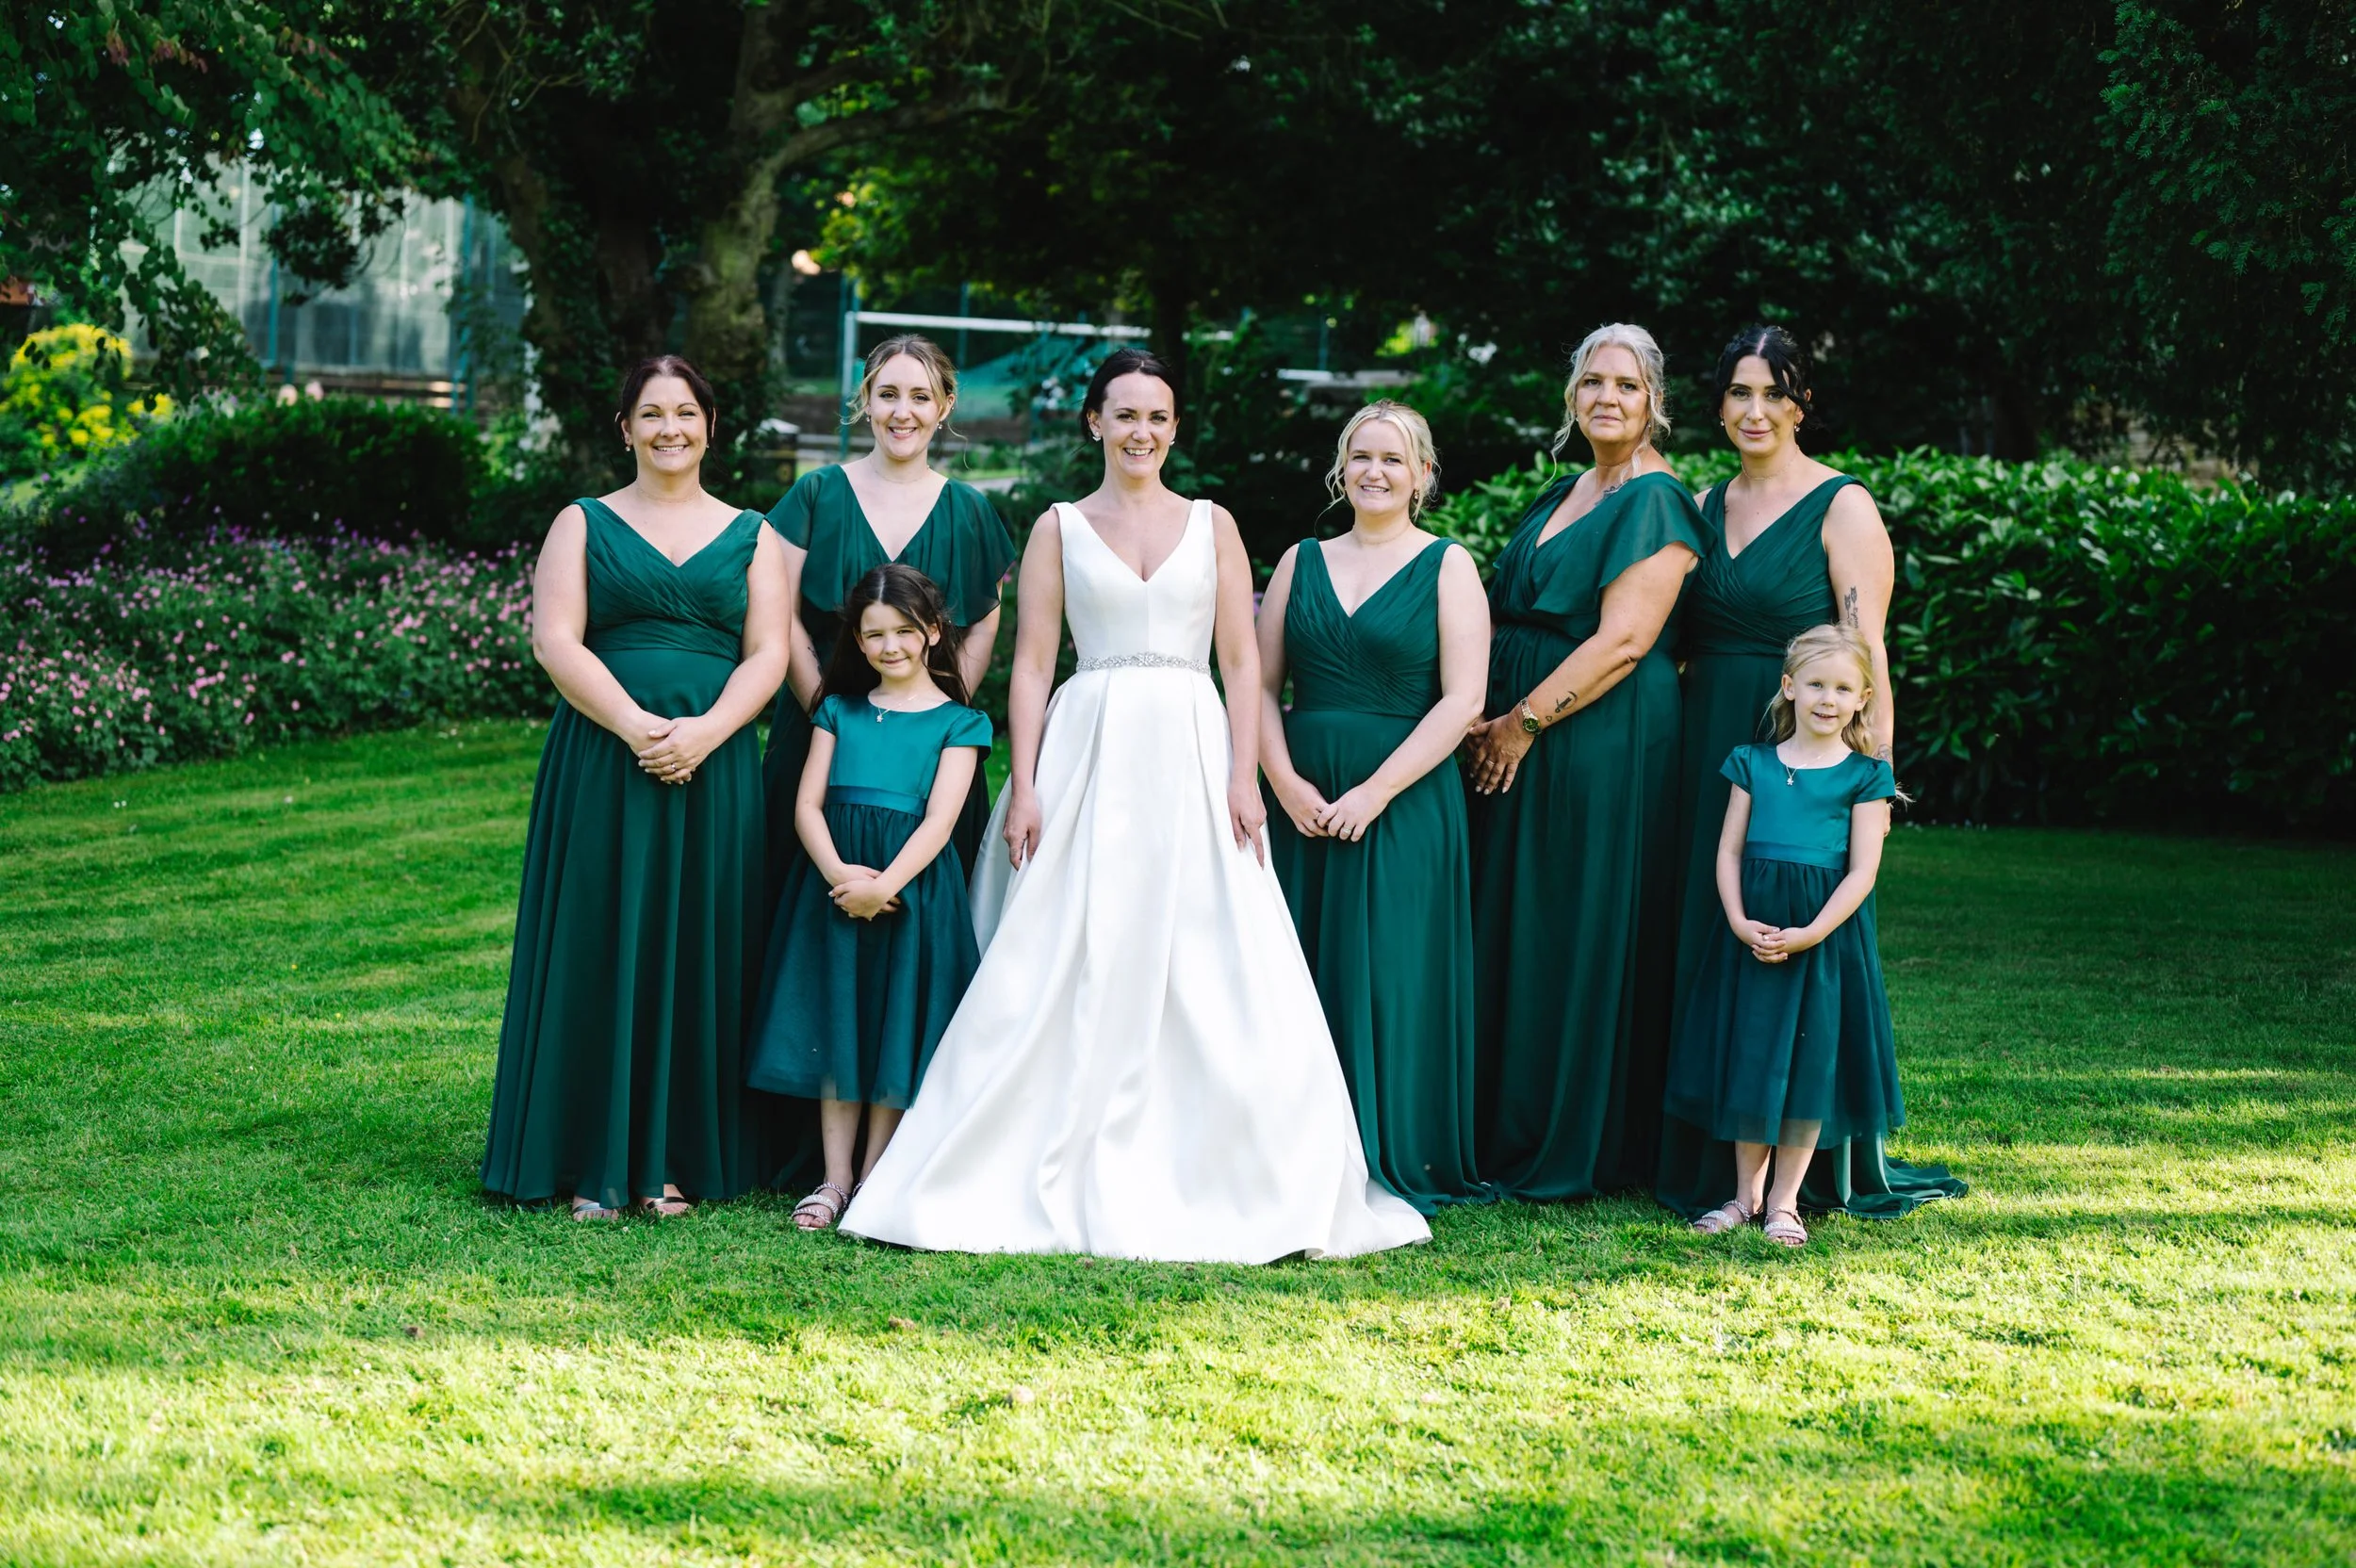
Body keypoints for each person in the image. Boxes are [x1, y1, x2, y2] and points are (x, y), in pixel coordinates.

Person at [840, 349, 1430, 1263]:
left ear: (1174, 426)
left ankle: (1224, 1156)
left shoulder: (1213, 523)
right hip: (1089, 745)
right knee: (1066, 943)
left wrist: (1244, 774)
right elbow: (1032, 663)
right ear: (1095, 423)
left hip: (1192, 745)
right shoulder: (1060, 526)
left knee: (1211, 942)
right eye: (1124, 414)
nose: (1141, 431)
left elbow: (1241, 660)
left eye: (1157, 416)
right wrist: (1026, 782)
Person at [1658, 324, 1964, 1221]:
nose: (1755, 411)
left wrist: (1875, 780)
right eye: (1739, 393)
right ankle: (1704, 1155)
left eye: (1774, 393)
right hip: (1709, 749)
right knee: (1706, 935)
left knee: (1800, 954)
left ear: (1801, 405)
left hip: (1809, 757)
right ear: (1718, 406)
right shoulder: (1701, 503)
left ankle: (1798, 1175)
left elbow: (1867, 653)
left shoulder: (1843, 505)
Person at [482, 354, 791, 1219]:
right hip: (604, 761)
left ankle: (670, 1160)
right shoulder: (581, 523)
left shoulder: (754, 534)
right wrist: (636, 728)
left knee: (699, 947)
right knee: (597, 939)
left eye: (685, 413)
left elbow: (769, 652)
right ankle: (590, 1158)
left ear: (710, 426)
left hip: (715, 767)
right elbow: (556, 641)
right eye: (651, 414)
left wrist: (705, 733)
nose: (669, 430)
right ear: (625, 429)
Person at [1461, 323, 1705, 1201]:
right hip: (1516, 726)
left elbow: (1627, 641)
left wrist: (1522, 722)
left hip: (1598, 735)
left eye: (1627, 385)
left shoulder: (1657, 501)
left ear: (1655, 403)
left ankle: (1572, 1134)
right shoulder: (1564, 489)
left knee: (1572, 921)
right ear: (1573, 395)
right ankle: (1500, 1121)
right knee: (1521, 917)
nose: (1608, 397)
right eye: (1594, 381)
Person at [1258, 400, 1491, 1214]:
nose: (1375, 472)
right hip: (1300, 793)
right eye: (1361, 456)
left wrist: (1377, 791)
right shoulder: (1300, 562)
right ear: (1341, 467)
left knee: (1392, 971)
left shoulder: (1448, 565)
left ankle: (1391, 1142)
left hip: (1404, 798)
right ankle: (1289, 1149)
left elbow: (1464, 701)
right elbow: (1257, 685)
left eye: (1393, 459)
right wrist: (1283, 782)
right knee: (1293, 964)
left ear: (1423, 474)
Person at [1664, 626, 1936, 1246]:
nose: (1827, 699)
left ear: (1863, 699)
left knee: (1808, 1066)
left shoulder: (1865, 776)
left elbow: (1863, 872)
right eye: (1815, 684)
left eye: (1842, 688)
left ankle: (1785, 1203)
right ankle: (1744, 1197)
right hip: (1754, 936)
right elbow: (1728, 852)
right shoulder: (1752, 763)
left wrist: (1812, 932)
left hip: (1822, 941)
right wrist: (1738, 921)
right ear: (1789, 687)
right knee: (1751, 1058)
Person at [746, 564, 992, 1231]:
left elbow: (941, 822)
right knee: (840, 1021)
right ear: (856, 641)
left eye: (904, 632)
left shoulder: (961, 724)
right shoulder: (837, 712)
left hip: (911, 889)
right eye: (874, 634)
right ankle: (833, 1179)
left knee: (893, 1022)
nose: (890, 646)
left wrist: (884, 885)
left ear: (933, 632)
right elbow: (807, 805)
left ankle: (875, 1177)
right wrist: (841, 879)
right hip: (834, 885)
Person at [760, 335, 1015, 889]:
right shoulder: (816, 494)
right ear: (866, 400)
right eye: (889, 394)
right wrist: (827, 714)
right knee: (800, 899)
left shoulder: (969, 511)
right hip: (816, 734)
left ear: (945, 406)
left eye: (920, 397)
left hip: (927, 748)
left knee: (926, 900)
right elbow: (779, 612)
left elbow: (983, 619)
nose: (903, 412)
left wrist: (937, 715)